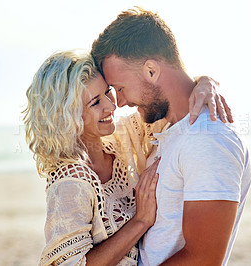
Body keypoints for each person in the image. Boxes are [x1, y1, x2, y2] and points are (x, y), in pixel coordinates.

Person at [23, 49, 231, 265]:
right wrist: (140, 221)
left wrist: (205, 82)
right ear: (66, 117)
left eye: (108, 92)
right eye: (95, 103)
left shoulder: (124, 140)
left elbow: (169, 100)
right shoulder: (70, 181)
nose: (111, 106)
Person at [91, 7, 251, 266]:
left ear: (151, 71)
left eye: (120, 88)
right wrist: (205, 80)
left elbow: (203, 259)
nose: (119, 102)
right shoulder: (166, 130)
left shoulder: (207, 140)